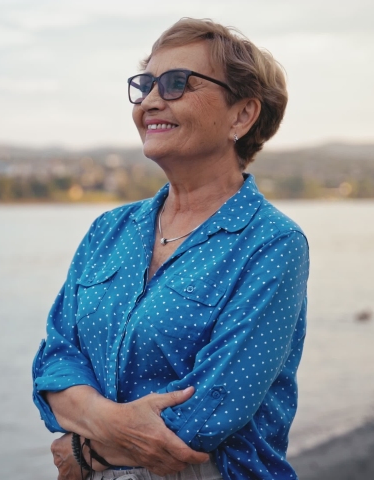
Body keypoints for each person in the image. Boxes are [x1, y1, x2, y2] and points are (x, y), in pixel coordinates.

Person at [32, 18, 309, 480]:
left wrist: (83, 452)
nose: (152, 101)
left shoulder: (272, 244)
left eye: (178, 83)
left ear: (241, 115)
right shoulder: (109, 230)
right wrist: (109, 424)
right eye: (145, 85)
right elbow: (54, 364)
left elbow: (204, 418)